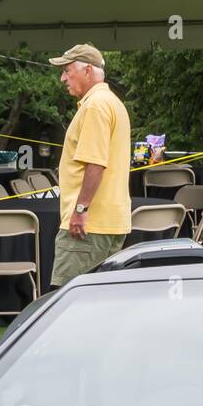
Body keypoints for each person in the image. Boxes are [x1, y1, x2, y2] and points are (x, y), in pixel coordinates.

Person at [47, 44, 131, 285]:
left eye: (67, 70)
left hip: (88, 225)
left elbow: (96, 163)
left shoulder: (95, 106)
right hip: (110, 222)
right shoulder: (112, 102)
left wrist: (81, 210)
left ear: (88, 71)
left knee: (66, 301)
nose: (63, 78)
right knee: (101, 305)